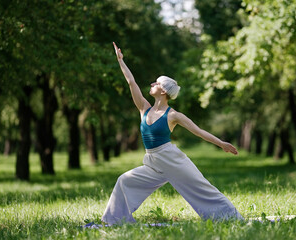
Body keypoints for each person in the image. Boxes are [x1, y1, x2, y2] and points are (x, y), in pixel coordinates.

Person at [101, 42, 243, 226]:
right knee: (124, 181)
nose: (152, 84)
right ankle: (115, 220)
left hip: (170, 159)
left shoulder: (173, 115)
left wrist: (222, 143)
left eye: (156, 83)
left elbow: (198, 131)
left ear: (164, 90)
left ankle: (231, 218)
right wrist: (121, 61)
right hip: (152, 161)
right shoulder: (144, 108)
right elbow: (131, 82)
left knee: (200, 187)